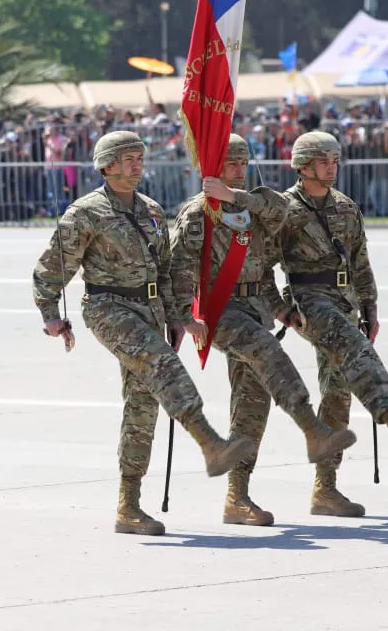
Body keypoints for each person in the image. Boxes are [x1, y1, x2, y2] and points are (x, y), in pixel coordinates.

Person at [33, 130, 255, 536]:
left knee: (142, 406)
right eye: (128, 158)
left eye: (139, 157)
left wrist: (179, 318)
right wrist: (50, 313)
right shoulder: (85, 213)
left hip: (149, 309)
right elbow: (51, 268)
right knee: (161, 363)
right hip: (108, 307)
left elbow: (167, 271)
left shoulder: (152, 209)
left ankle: (128, 506)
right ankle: (209, 442)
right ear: (107, 166)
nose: (137, 164)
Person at [170, 134, 357, 526]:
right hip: (221, 311)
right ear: (213, 169)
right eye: (231, 164)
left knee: (252, 405)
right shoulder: (198, 213)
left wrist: (280, 309)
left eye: (242, 163)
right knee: (270, 353)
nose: (239, 170)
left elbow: (280, 211)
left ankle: (237, 498)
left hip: (256, 309)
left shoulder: (251, 208)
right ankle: (313, 429)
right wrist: (184, 316)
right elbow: (179, 268)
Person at [270, 131, 388, 517]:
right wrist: (282, 307)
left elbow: (360, 262)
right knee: (353, 349)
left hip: (344, 302)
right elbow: (262, 265)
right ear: (303, 166)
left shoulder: (345, 207)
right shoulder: (283, 210)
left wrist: (370, 308)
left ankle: (325, 490)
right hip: (309, 302)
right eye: (324, 161)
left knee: (337, 392)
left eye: (335, 160)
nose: (333, 167)